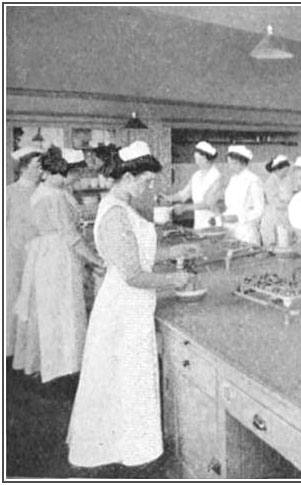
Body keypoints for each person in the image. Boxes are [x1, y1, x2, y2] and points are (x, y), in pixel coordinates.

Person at [67, 140, 195, 469]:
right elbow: (134, 274)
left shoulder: (121, 207)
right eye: (147, 180)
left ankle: (137, 446)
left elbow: (140, 254)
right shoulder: (114, 214)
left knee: (133, 376)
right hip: (123, 306)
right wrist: (175, 281)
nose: (150, 187)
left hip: (131, 304)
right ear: (128, 176)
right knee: (127, 377)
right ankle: (126, 450)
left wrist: (176, 253)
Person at [12, 146, 104, 383]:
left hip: (49, 253)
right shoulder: (53, 196)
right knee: (60, 309)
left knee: (54, 309)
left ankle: (59, 362)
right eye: (76, 173)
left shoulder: (52, 190)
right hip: (56, 256)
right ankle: (62, 364)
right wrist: (96, 260)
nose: (78, 178)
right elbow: (70, 236)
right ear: (65, 171)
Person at [6, 147, 43, 358]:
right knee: (14, 299)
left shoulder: (44, 191)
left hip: (39, 254)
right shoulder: (9, 192)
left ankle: (31, 351)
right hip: (14, 255)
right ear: (24, 167)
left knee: (35, 301)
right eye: (37, 165)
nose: (41, 169)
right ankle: (10, 350)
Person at [161, 140, 222, 229]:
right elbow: (184, 194)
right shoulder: (196, 175)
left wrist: (184, 208)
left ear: (205, 158)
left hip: (213, 222)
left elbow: (208, 203)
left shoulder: (216, 176)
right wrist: (168, 198)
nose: (197, 162)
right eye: (196, 159)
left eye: (199, 159)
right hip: (199, 222)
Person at [221, 145, 265, 245]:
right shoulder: (233, 179)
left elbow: (259, 210)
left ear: (242, 162)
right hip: (231, 230)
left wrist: (238, 217)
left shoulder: (253, 180)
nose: (230, 166)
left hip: (247, 231)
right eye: (229, 163)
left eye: (233, 163)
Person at [260, 155, 294, 246]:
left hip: (284, 215)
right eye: (284, 171)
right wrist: (288, 205)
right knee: (274, 241)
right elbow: (273, 201)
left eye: (287, 171)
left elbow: (290, 196)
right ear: (277, 169)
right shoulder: (270, 182)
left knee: (285, 241)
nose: (286, 173)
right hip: (273, 216)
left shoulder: (287, 180)